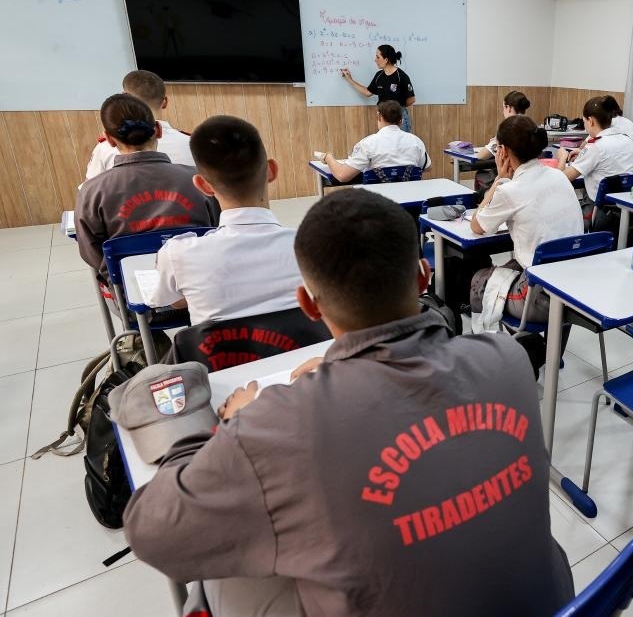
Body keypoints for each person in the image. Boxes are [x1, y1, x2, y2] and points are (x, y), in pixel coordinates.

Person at [123, 189, 575, 617]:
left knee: (225, 573)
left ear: (308, 304)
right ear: (422, 276)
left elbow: (150, 531)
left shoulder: (279, 424)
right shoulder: (508, 358)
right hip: (552, 603)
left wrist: (231, 428)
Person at [145, 115, 302, 325]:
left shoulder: (178, 255)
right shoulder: (311, 247)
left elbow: (164, 300)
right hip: (300, 356)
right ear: (271, 171)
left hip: (220, 358)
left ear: (202, 185)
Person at [74, 94, 220, 279]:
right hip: (199, 281)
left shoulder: (92, 191)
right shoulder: (199, 180)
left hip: (133, 291)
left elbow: (90, 251)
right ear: (157, 130)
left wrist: (117, 276)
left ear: (109, 140)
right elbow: (217, 230)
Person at [469, 115, 583, 324]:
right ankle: (547, 352)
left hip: (539, 295)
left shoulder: (510, 191)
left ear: (503, 151)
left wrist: (498, 180)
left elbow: (476, 226)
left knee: (479, 280)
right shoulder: (558, 175)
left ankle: (517, 349)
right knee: (512, 264)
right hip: (574, 285)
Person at [85, 70, 194, 179]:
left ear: (125, 97)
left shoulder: (104, 148)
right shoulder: (192, 143)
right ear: (164, 101)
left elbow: (89, 191)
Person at [322, 101, 431, 184]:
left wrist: (328, 157)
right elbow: (427, 167)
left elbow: (342, 175)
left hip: (378, 207)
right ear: (401, 120)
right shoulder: (416, 141)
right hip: (410, 207)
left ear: (379, 117)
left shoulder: (368, 143)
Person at [556, 96, 633, 206]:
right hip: (624, 205)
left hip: (597, 208)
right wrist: (584, 155)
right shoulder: (627, 140)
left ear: (590, 121)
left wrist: (562, 158)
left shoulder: (595, 147)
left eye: (584, 121)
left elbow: (562, 179)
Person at [340, 44, 416, 132]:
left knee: (402, 145)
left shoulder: (401, 76)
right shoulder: (379, 76)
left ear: (386, 59)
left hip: (399, 118)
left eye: (377, 57)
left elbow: (411, 100)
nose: (375, 60)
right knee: (385, 145)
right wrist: (349, 79)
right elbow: (367, 92)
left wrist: (396, 109)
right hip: (384, 119)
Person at [475, 90, 531, 160]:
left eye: (504, 108)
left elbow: (481, 156)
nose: (503, 111)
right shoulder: (531, 126)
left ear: (509, 108)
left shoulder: (508, 129)